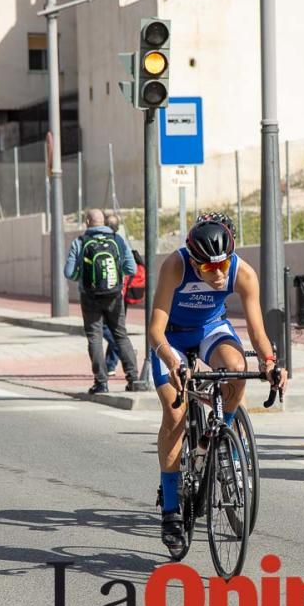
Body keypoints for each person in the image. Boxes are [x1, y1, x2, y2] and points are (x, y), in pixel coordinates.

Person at [148, 213, 287, 552]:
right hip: (171, 339)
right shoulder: (174, 267)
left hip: (211, 329)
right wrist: (173, 362)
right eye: (210, 269)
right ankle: (170, 511)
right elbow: (154, 330)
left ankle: (221, 437)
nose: (220, 274)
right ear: (194, 261)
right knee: (176, 415)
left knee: (237, 369)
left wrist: (270, 363)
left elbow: (256, 331)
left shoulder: (243, 273)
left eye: (224, 264)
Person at [64, 209, 140, 394]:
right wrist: (116, 276)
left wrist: (83, 277)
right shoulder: (117, 240)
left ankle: (101, 382)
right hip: (115, 295)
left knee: (95, 337)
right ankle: (133, 379)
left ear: (88, 222)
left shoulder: (80, 242)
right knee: (121, 334)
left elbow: (69, 272)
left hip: (89, 296)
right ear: (104, 221)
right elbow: (132, 268)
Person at [102, 212, 125, 375]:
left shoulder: (88, 240)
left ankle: (119, 352)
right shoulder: (119, 241)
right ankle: (110, 365)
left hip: (93, 294)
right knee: (116, 328)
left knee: (103, 328)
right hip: (117, 291)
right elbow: (129, 266)